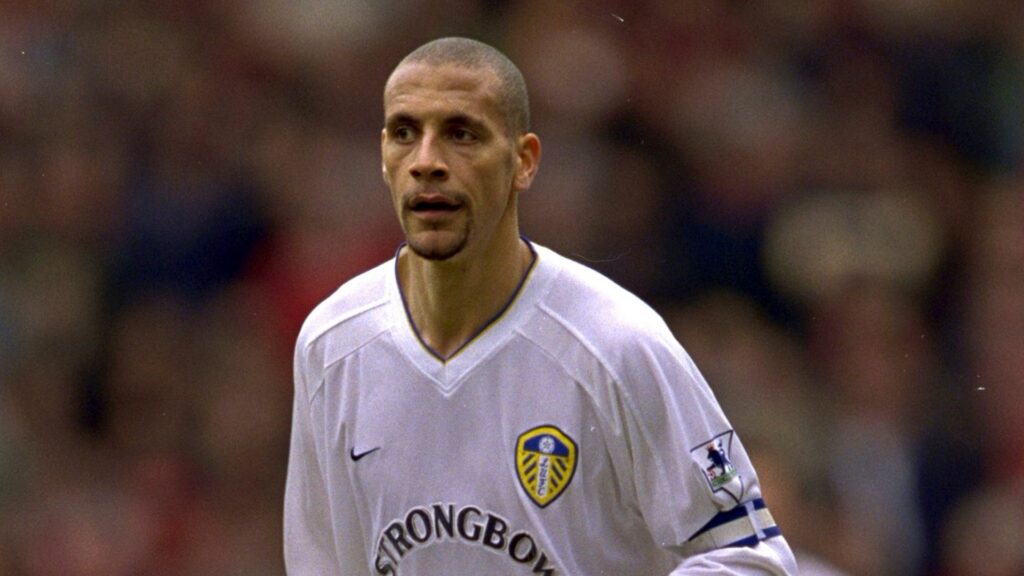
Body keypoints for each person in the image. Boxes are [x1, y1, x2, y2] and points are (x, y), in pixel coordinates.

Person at [284, 36, 798, 575]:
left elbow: (753, 561)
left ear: (524, 161)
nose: (427, 162)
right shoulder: (333, 344)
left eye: (462, 134)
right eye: (406, 134)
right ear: (384, 158)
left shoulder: (615, 343)